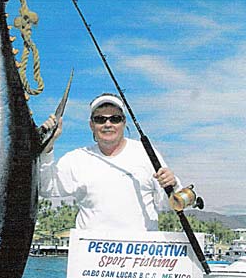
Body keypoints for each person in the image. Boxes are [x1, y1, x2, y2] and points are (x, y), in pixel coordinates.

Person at [39, 93, 180, 232]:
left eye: (115, 119)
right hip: (91, 252)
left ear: (124, 123)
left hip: (141, 252)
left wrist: (173, 184)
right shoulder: (76, 159)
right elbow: (46, 188)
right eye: (100, 119)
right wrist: (47, 146)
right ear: (91, 125)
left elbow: (169, 203)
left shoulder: (146, 153)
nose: (108, 124)